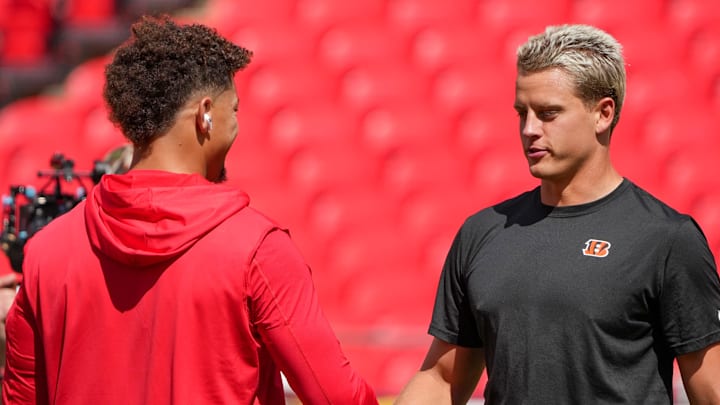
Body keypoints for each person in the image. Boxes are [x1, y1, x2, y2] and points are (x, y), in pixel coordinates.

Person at [2, 15, 378, 405]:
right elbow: (337, 397)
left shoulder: (46, 253)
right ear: (205, 113)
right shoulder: (257, 250)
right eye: (234, 110)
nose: (236, 124)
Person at [396, 24, 720, 404]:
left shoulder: (667, 239)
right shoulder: (482, 232)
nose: (529, 129)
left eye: (548, 113)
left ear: (603, 113)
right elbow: (442, 377)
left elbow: (711, 391)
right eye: (522, 113)